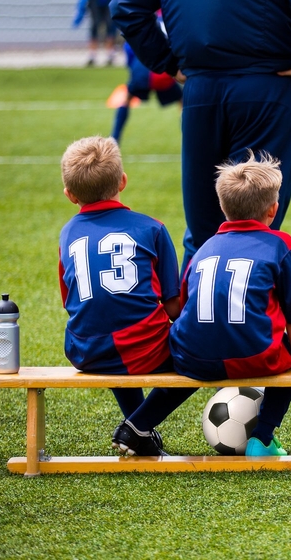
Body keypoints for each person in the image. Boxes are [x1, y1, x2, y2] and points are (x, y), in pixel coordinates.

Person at [110, 0, 291, 271]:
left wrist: (169, 62)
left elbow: (126, 6)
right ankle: (247, 319)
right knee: (254, 221)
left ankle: (197, 318)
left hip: (202, 90)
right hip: (267, 88)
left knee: (202, 229)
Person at [111, 151, 291, 457]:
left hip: (192, 356)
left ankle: (137, 424)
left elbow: (184, 303)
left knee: (195, 358)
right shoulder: (280, 244)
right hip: (255, 355)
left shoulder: (203, 249)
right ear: (273, 209)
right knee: (290, 371)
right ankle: (262, 438)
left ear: (222, 207)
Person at [58, 136, 181, 436]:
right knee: (202, 354)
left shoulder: (67, 234)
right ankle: (139, 424)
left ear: (70, 195)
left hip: (85, 351)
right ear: (123, 181)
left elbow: (70, 302)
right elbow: (174, 307)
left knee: (108, 322)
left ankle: (141, 432)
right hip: (144, 350)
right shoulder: (152, 228)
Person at [111, 41, 183, 144]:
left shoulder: (135, 28)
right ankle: (189, 138)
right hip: (162, 73)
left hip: (141, 72)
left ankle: (115, 138)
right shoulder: (164, 27)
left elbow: (129, 55)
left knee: (126, 99)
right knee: (183, 102)